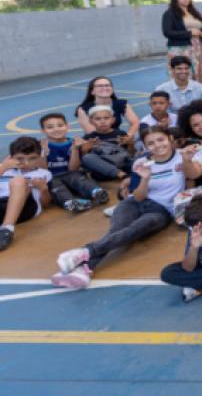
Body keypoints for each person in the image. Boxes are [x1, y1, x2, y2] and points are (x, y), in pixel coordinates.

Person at [51, 125, 184, 289]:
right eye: (151, 143)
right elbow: (138, 197)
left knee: (135, 229)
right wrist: (145, 179)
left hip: (161, 210)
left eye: (161, 140)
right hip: (134, 203)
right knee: (117, 231)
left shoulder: (182, 158)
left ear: (170, 138)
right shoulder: (141, 162)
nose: (157, 145)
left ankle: (84, 253)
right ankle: (83, 269)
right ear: (145, 146)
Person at [39, 112, 105, 212]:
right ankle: (70, 202)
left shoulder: (73, 143)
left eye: (60, 125)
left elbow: (72, 169)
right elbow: (43, 171)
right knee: (55, 186)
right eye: (50, 127)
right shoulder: (41, 145)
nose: (56, 129)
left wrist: (75, 149)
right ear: (43, 131)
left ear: (67, 126)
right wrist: (43, 153)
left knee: (80, 179)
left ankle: (96, 192)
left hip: (70, 173)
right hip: (51, 177)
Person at [0, 137, 51, 250]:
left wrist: (43, 189)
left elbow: (46, 204)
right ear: (11, 157)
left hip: (25, 207)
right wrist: (3, 167)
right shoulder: (4, 169)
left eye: (32, 158)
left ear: (39, 157)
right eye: (20, 158)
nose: (26, 163)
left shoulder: (43, 174)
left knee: (19, 181)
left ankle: (7, 228)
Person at [161, 0, 202, 85]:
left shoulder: (193, 12)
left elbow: (199, 29)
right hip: (181, 49)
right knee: (185, 75)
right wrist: (189, 33)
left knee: (201, 74)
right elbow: (167, 32)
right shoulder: (170, 13)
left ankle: (201, 94)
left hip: (198, 48)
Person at [75, 77, 140, 137]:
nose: (104, 88)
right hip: (96, 142)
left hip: (119, 137)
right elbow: (92, 133)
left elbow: (135, 123)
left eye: (107, 85)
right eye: (100, 86)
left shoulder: (121, 104)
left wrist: (127, 137)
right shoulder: (83, 109)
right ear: (92, 91)